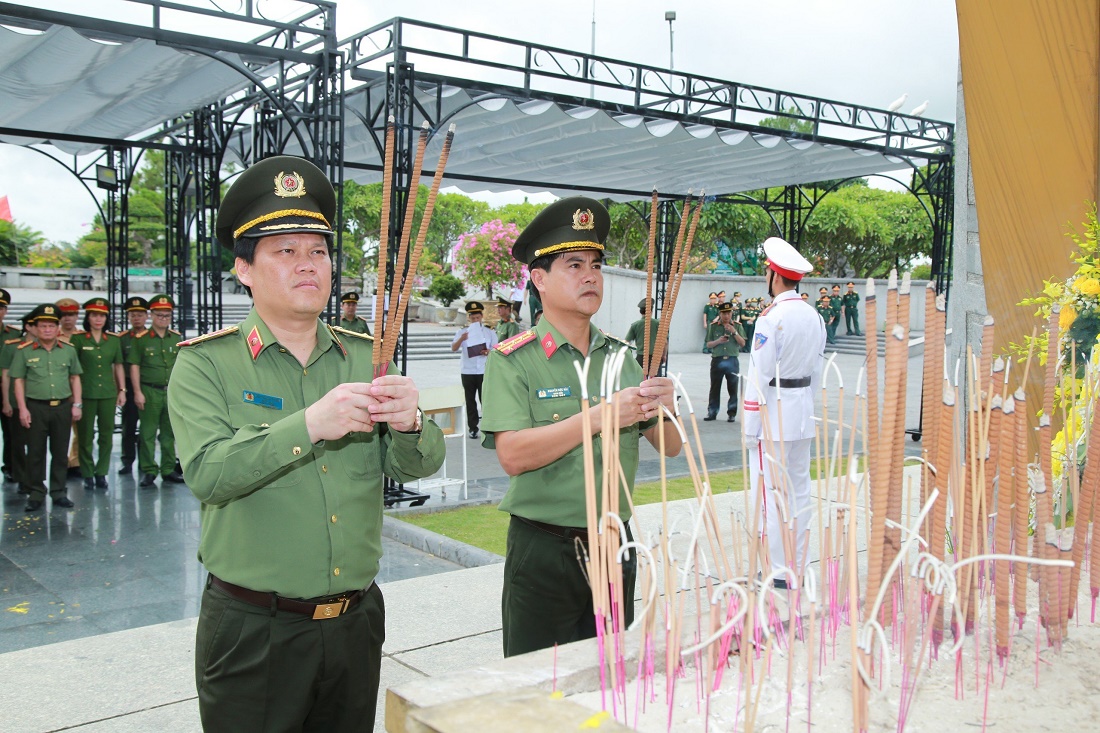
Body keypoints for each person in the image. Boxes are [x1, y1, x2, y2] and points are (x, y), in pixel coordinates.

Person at [167, 154, 445, 732]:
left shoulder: (366, 353)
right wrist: (310, 424)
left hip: (355, 621)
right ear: (244, 269)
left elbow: (414, 465)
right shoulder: (205, 365)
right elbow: (209, 474)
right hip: (254, 628)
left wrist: (412, 421)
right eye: (284, 251)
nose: (307, 265)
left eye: (317, 250)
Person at [480, 196, 682, 658]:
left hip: (614, 541)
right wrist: (597, 417)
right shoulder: (513, 361)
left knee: (607, 679)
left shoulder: (621, 357)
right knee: (538, 687)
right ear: (539, 280)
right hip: (544, 547)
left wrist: (668, 406)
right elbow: (513, 455)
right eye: (574, 265)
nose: (590, 276)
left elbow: (669, 446)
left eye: (595, 265)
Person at [742, 237, 826, 586]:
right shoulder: (813, 315)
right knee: (800, 493)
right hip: (802, 413)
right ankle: (796, 566)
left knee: (770, 496)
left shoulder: (770, 318)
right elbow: (817, 371)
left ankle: (776, 570)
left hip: (773, 415)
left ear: (775, 277)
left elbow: (758, 376)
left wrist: (749, 426)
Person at [10, 304, 82, 512]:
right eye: (43, 326)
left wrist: (76, 404)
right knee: (35, 452)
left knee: (60, 451)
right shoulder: (24, 352)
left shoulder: (67, 350)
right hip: (35, 407)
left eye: (51, 326)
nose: (47, 330)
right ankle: (36, 492)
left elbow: (75, 377)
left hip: (61, 407)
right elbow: (18, 381)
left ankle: (59, 491)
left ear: (58, 328)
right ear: (36, 328)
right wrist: (22, 409)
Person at [70, 297, 126, 491]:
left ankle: (101, 472)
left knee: (106, 435)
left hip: (108, 393)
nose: (98, 319)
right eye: (94, 315)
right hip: (85, 393)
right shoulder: (78, 339)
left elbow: (118, 365)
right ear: (88, 317)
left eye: (102, 315)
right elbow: (73, 369)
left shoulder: (112, 340)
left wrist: (122, 390)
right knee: (85, 436)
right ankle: (87, 473)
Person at [130, 294, 185, 488]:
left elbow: (181, 366)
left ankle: (168, 469)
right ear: (151, 315)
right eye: (159, 315)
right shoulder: (141, 339)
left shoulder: (176, 338)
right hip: (149, 390)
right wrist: (137, 392)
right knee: (147, 433)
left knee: (170, 433)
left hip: (170, 391)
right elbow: (135, 366)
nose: (163, 319)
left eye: (167, 315)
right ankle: (149, 470)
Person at [452, 301, 497, 439]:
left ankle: (489, 428)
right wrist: (462, 339)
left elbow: (497, 349)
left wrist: (487, 351)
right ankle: (473, 427)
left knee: (486, 399)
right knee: (470, 400)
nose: (475, 320)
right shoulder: (462, 332)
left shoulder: (489, 332)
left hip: (483, 370)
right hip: (468, 371)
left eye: (477, 318)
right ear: (469, 318)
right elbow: (453, 348)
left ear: (482, 316)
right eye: (473, 318)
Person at [1, 311, 34, 493]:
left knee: (36, 443)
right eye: (36, 325)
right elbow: (6, 375)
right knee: (18, 442)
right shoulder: (13, 346)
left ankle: (35, 477)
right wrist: (6, 401)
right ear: (28, 327)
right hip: (16, 399)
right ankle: (21, 477)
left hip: (38, 400)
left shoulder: (46, 346)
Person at [117, 297, 149, 475]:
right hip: (129, 386)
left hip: (148, 384)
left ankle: (146, 464)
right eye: (133, 315)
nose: (136, 318)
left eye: (140, 315)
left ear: (146, 316)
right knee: (128, 426)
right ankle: (127, 460)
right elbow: (118, 365)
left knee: (148, 428)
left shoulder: (151, 336)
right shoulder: (122, 339)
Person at [704, 301, 745, 422]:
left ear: (732, 313)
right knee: (715, 388)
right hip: (717, 360)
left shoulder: (737, 326)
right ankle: (712, 412)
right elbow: (708, 344)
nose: (726, 316)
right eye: (724, 313)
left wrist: (734, 332)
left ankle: (731, 413)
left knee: (733, 388)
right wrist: (718, 341)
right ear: (720, 314)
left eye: (728, 313)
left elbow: (743, 343)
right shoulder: (714, 325)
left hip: (732, 360)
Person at [0, 289, 18, 482]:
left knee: (11, 429)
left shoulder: (12, 334)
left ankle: (10, 466)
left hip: (6, 385)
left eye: (1, 308)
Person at [625, 297, 661, 372]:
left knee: (641, 381)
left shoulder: (635, 325)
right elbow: (664, 342)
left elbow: (627, 342)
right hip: (655, 357)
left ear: (640, 312)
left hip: (641, 357)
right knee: (656, 381)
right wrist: (663, 355)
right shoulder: (658, 324)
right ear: (651, 311)